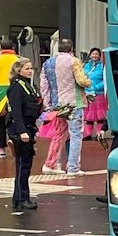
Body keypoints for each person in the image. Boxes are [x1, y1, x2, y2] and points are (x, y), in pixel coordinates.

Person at [41, 39, 89, 175]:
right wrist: (89, 82)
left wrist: (48, 104)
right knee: (75, 135)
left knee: (59, 133)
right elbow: (81, 80)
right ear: (71, 49)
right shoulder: (74, 61)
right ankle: (73, 167)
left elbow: (44, 86)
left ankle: (50, 164)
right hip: (74, 103)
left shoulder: (48, 62)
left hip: (57, 104)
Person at [5, 58, 42, 212]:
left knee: (25, 164)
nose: (30, 71)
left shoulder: (29, 86)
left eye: (31, 68)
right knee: (23, 165)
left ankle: (18, 197)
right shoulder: (16, 87)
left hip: (28, 127)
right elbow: (16, 112)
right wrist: (21, 132)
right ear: (18, 70)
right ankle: (23, 198)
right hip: (20, 129)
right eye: (27, 68)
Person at [0, 42, 21, 158]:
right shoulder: (19, 60)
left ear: (0, 48)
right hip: (15, 91)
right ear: (13, 47)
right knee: (15, 119)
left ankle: (2, 149)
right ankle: (13, 140)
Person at [82, 47, 107, 140]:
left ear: (99, 56)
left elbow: (105, 80)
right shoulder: (86, 66)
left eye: (96, 54)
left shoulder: (102, 66)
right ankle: (88, 134)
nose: (94, 56)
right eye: (93, 54)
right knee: (89, 116)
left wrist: (95, 88)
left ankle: (98, 135)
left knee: (99, 116)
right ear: (90, 55)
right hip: (87, 93)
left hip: (98, 93)